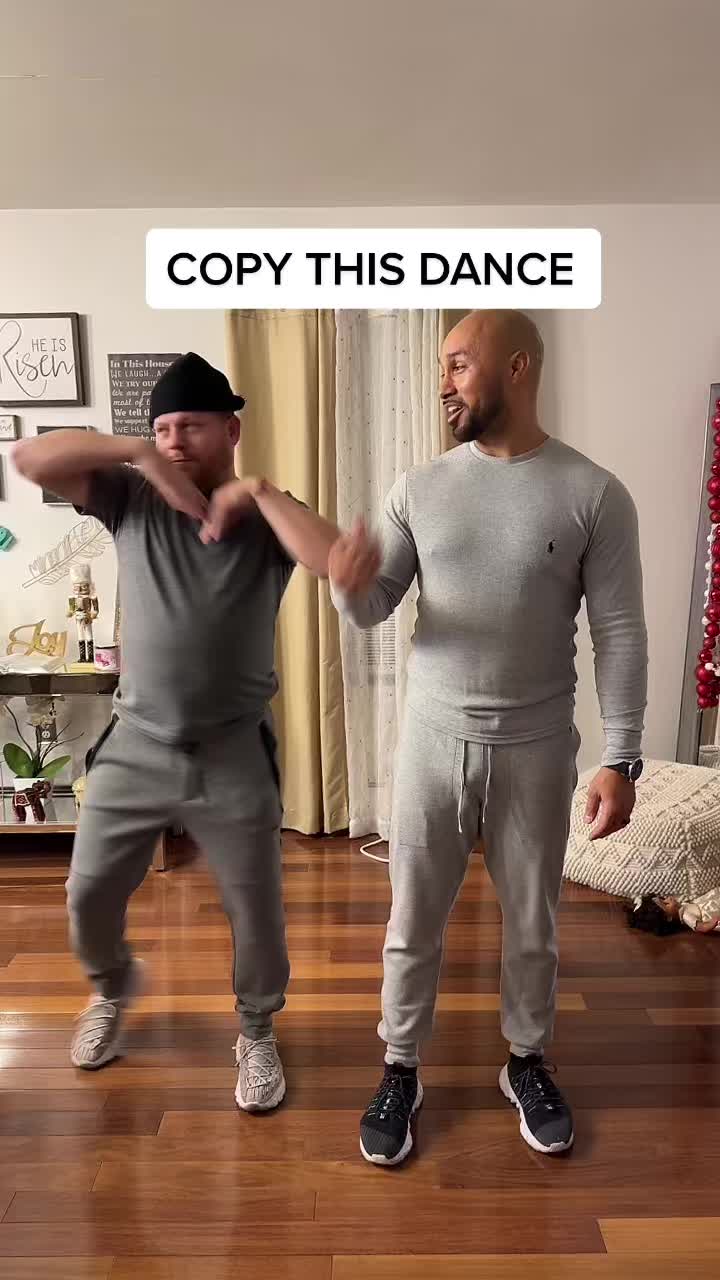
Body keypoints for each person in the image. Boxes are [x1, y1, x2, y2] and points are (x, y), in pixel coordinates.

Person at [329, 310, 648, 1165]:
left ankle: (526, 1061)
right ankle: (400, 1066)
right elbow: (372, 607)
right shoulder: (419, 487)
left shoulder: (593, 494)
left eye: (460, 364)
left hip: (539, 744)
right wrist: (345, 582)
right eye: (441, 366)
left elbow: (619, 633)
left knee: (534, 922)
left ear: (518, 367)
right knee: (412, 919)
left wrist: (621, 756)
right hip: (432, 740)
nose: (443, 383)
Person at [12, 351, 341, 1112]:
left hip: (233, 749)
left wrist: (261, 491)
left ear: (231, 430)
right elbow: (28, 458)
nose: (173, 441)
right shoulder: (129, 497)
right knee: (88, 892)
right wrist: (134, 449)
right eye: (162, 428)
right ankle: (112, 988)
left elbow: (334, 562)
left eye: (189, 426)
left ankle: (256, 1031)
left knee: (255, 911)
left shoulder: (264, 516)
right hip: (135, 743)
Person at [627, 891, 720, 935]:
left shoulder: (681, 907)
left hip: (703, 904)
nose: (668, 899)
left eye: (663, 899)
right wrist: (712, 923)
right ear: (668, 917)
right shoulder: (685, 916)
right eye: (666, 903)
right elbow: (702, 927)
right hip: (707, 912)